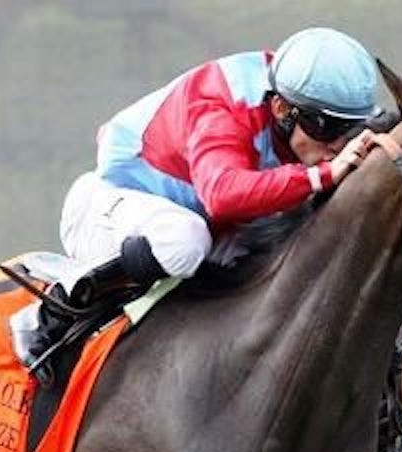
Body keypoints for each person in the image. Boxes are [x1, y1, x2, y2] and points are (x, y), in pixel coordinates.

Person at [28, 27, 382, 367]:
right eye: (327, 127)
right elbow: (222, 194)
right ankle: (57, 306)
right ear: (280, 109)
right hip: (106, 211)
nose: (339, 145)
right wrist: (322, 175)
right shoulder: (223, 103)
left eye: (351, 128)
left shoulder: (294, 97)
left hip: (202, 230)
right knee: (183, 239)